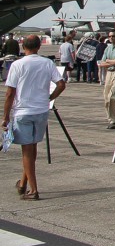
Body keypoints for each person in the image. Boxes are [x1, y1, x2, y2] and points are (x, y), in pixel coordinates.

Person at [3, 34, 67, 200]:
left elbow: (10, 93)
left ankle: (33, 190)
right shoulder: (47, 63)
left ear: (23, 46)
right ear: (39, 47)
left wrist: (5, 116)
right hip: (40, 111)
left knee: (26, 150)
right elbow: (61, 84)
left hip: (23, 111)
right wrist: (50, 97)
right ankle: (23, 183)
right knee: (32, 148)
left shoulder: (17, 65)